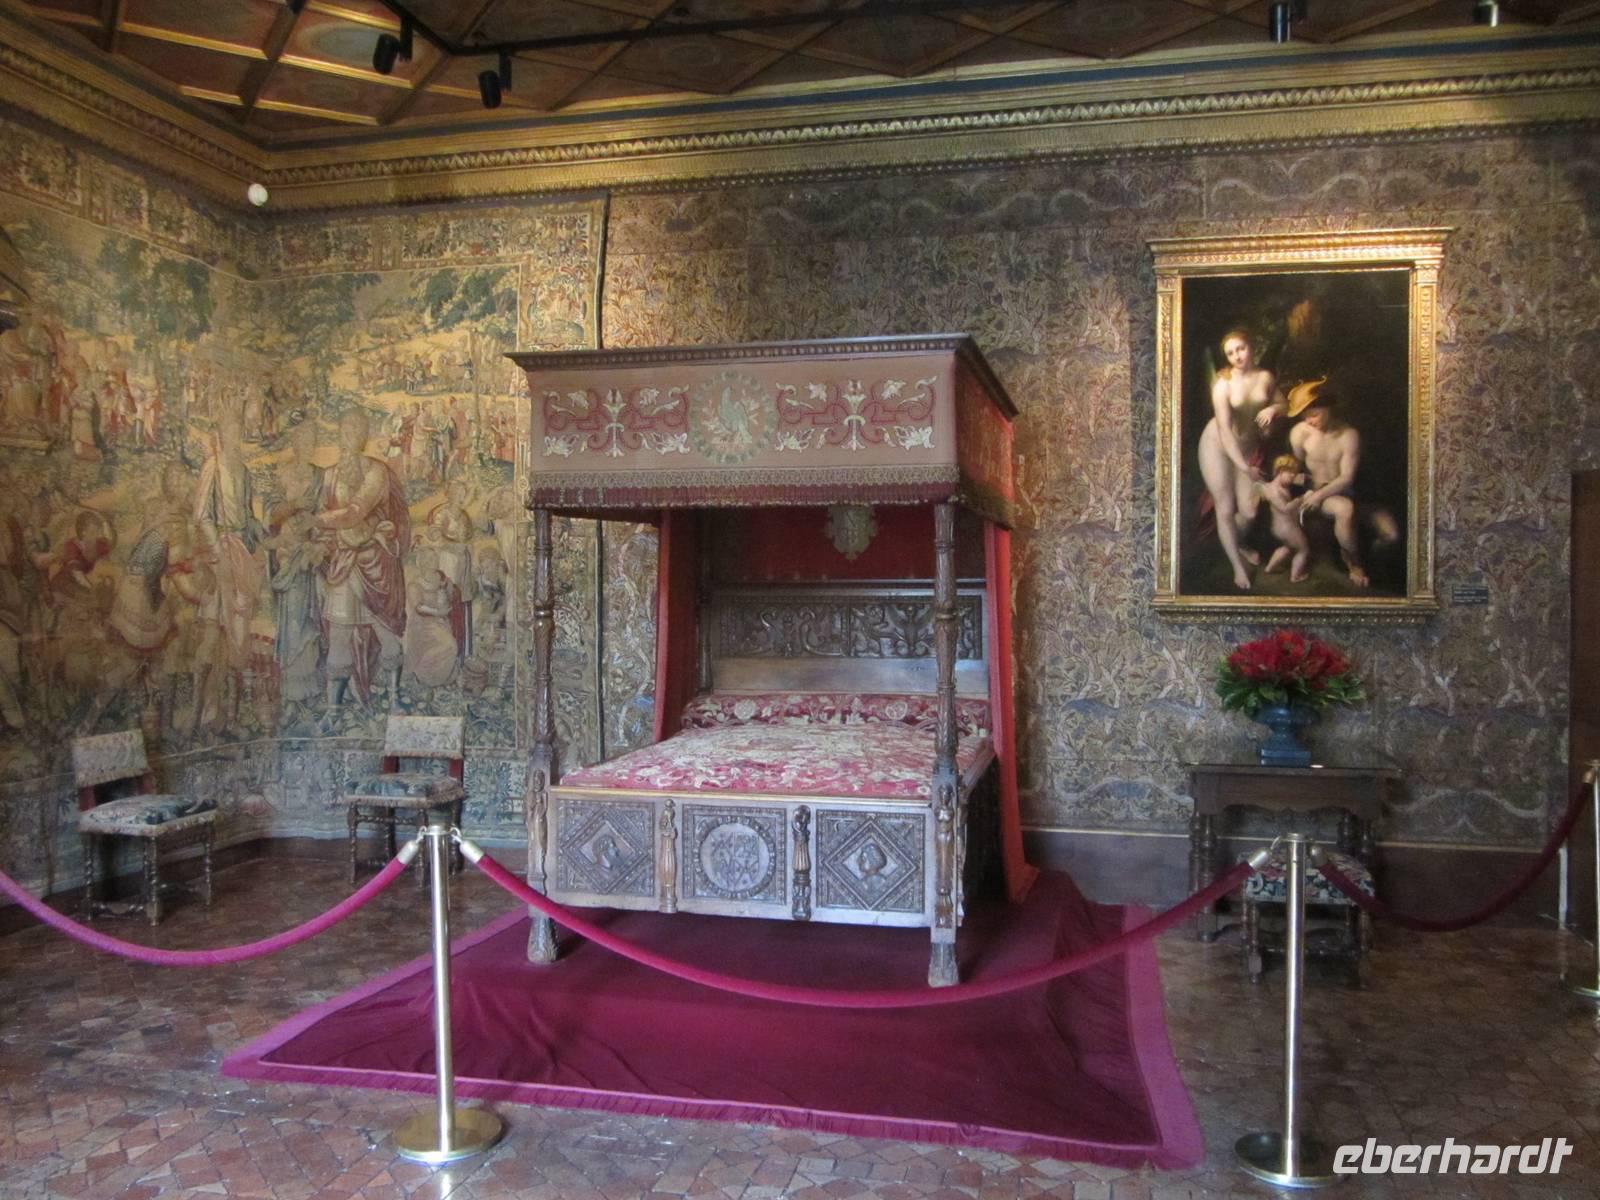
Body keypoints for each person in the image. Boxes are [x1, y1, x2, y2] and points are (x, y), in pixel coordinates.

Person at [313, 408, 410, 720]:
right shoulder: (330, 475)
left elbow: (355, 512)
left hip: (376, 564)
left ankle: (394, 698)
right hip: (344, 564)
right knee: (339, 635)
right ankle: (334, 710)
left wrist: (316, 521)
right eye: (345, 429)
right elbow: (325, 512)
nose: (350, 435)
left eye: (357, 429)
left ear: (365, 436)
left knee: (387, 633)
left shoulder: (377, 472)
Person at [1287, 379, 1400, 589]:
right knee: (1344, 509)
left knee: (1391, 534)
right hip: (1316, 492)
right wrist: (1309, 491)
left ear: (1328, 408)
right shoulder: (1299, 433)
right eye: (1305, 416)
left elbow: (1347, 477)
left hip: (1345, 491)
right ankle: (1354, 565)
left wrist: (1320, 495)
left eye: (1314, 414)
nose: (1309, 421)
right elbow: (1297, 467)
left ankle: (1370, 563)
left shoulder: (1348, 435)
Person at [1197, 328, 1285, 589]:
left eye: (1241, 349)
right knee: (1225, 508)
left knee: (1249, 510)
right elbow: (1225, 431)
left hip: (1247, 448)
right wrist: (1245, 468)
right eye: (1230, 353)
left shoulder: (1265, 377)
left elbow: (1285, 404)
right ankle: (1238, 567)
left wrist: (1273, 408)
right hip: (1217, 446)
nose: (1237, 356)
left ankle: (1238, 543)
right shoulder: (1222, 385)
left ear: (1251, 347)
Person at [1257, 454, 1311, 584]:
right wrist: (1302, 498)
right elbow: (1285, 508)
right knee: (1303, 550)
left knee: (1288, 547)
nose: (1293, 477)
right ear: (1281, 471)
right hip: (1287, 529)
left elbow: (1299, 479)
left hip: (1278, 528)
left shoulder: (1275, 486)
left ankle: (1270, 568)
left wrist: (1306, 479)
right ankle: (1295, 576)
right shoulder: (1274, 491)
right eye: (1291, 474)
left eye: (1294, 474)